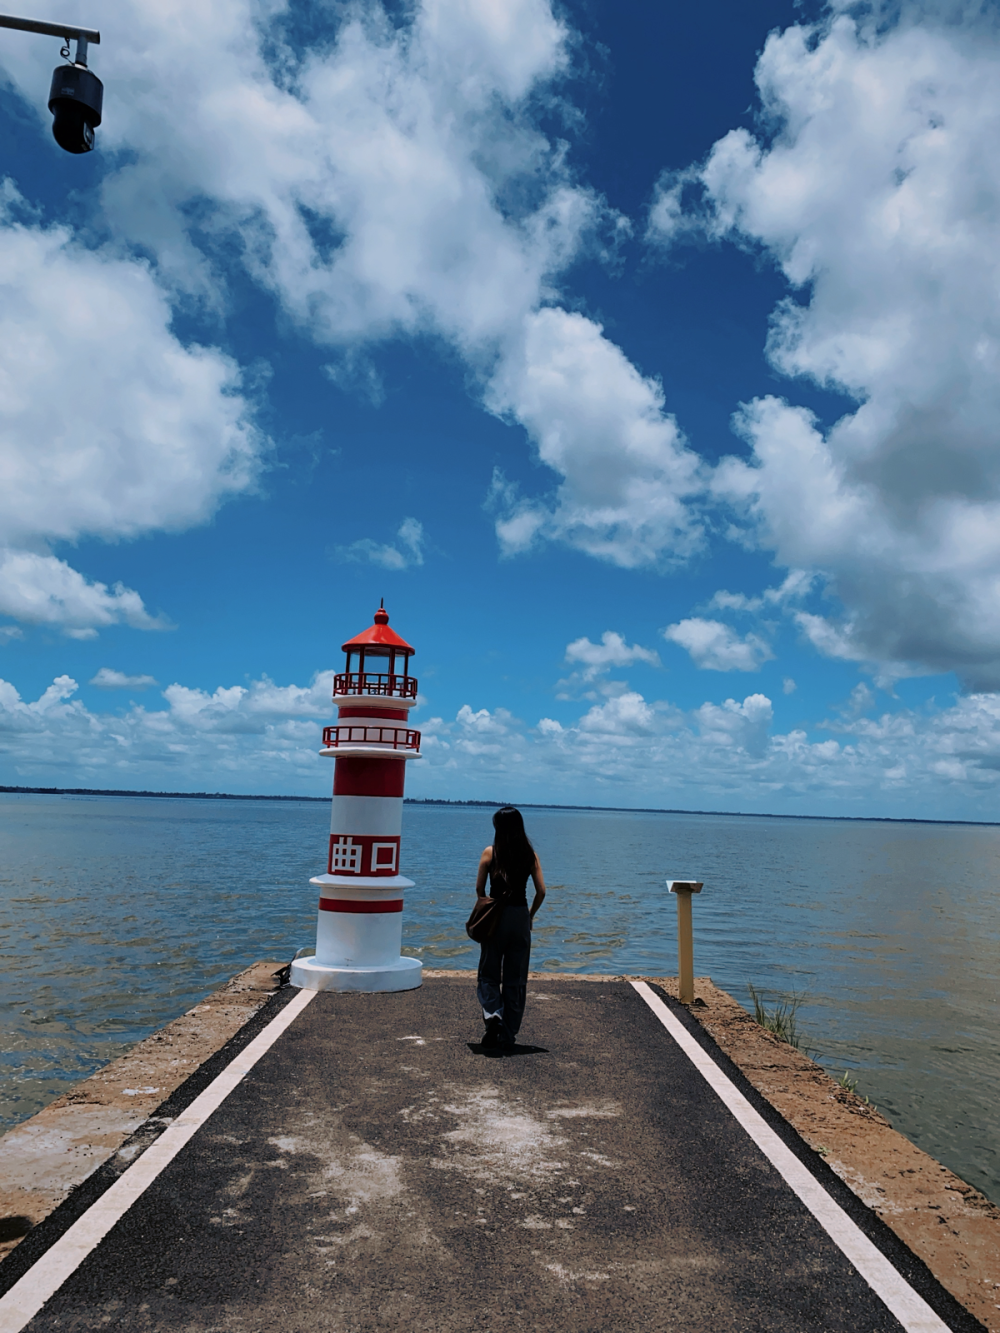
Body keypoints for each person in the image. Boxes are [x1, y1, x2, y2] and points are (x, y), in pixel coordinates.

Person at [474, 806, 546, 1051]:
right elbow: (541, 891)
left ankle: (493, 1014)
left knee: (488, 973)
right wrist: (530, 916)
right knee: (516, 979)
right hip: (519, 916)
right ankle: (507, 1036)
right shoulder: (530, 855)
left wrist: (488, 907)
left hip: (496, 917)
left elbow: (479, 890)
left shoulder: (489, 853)